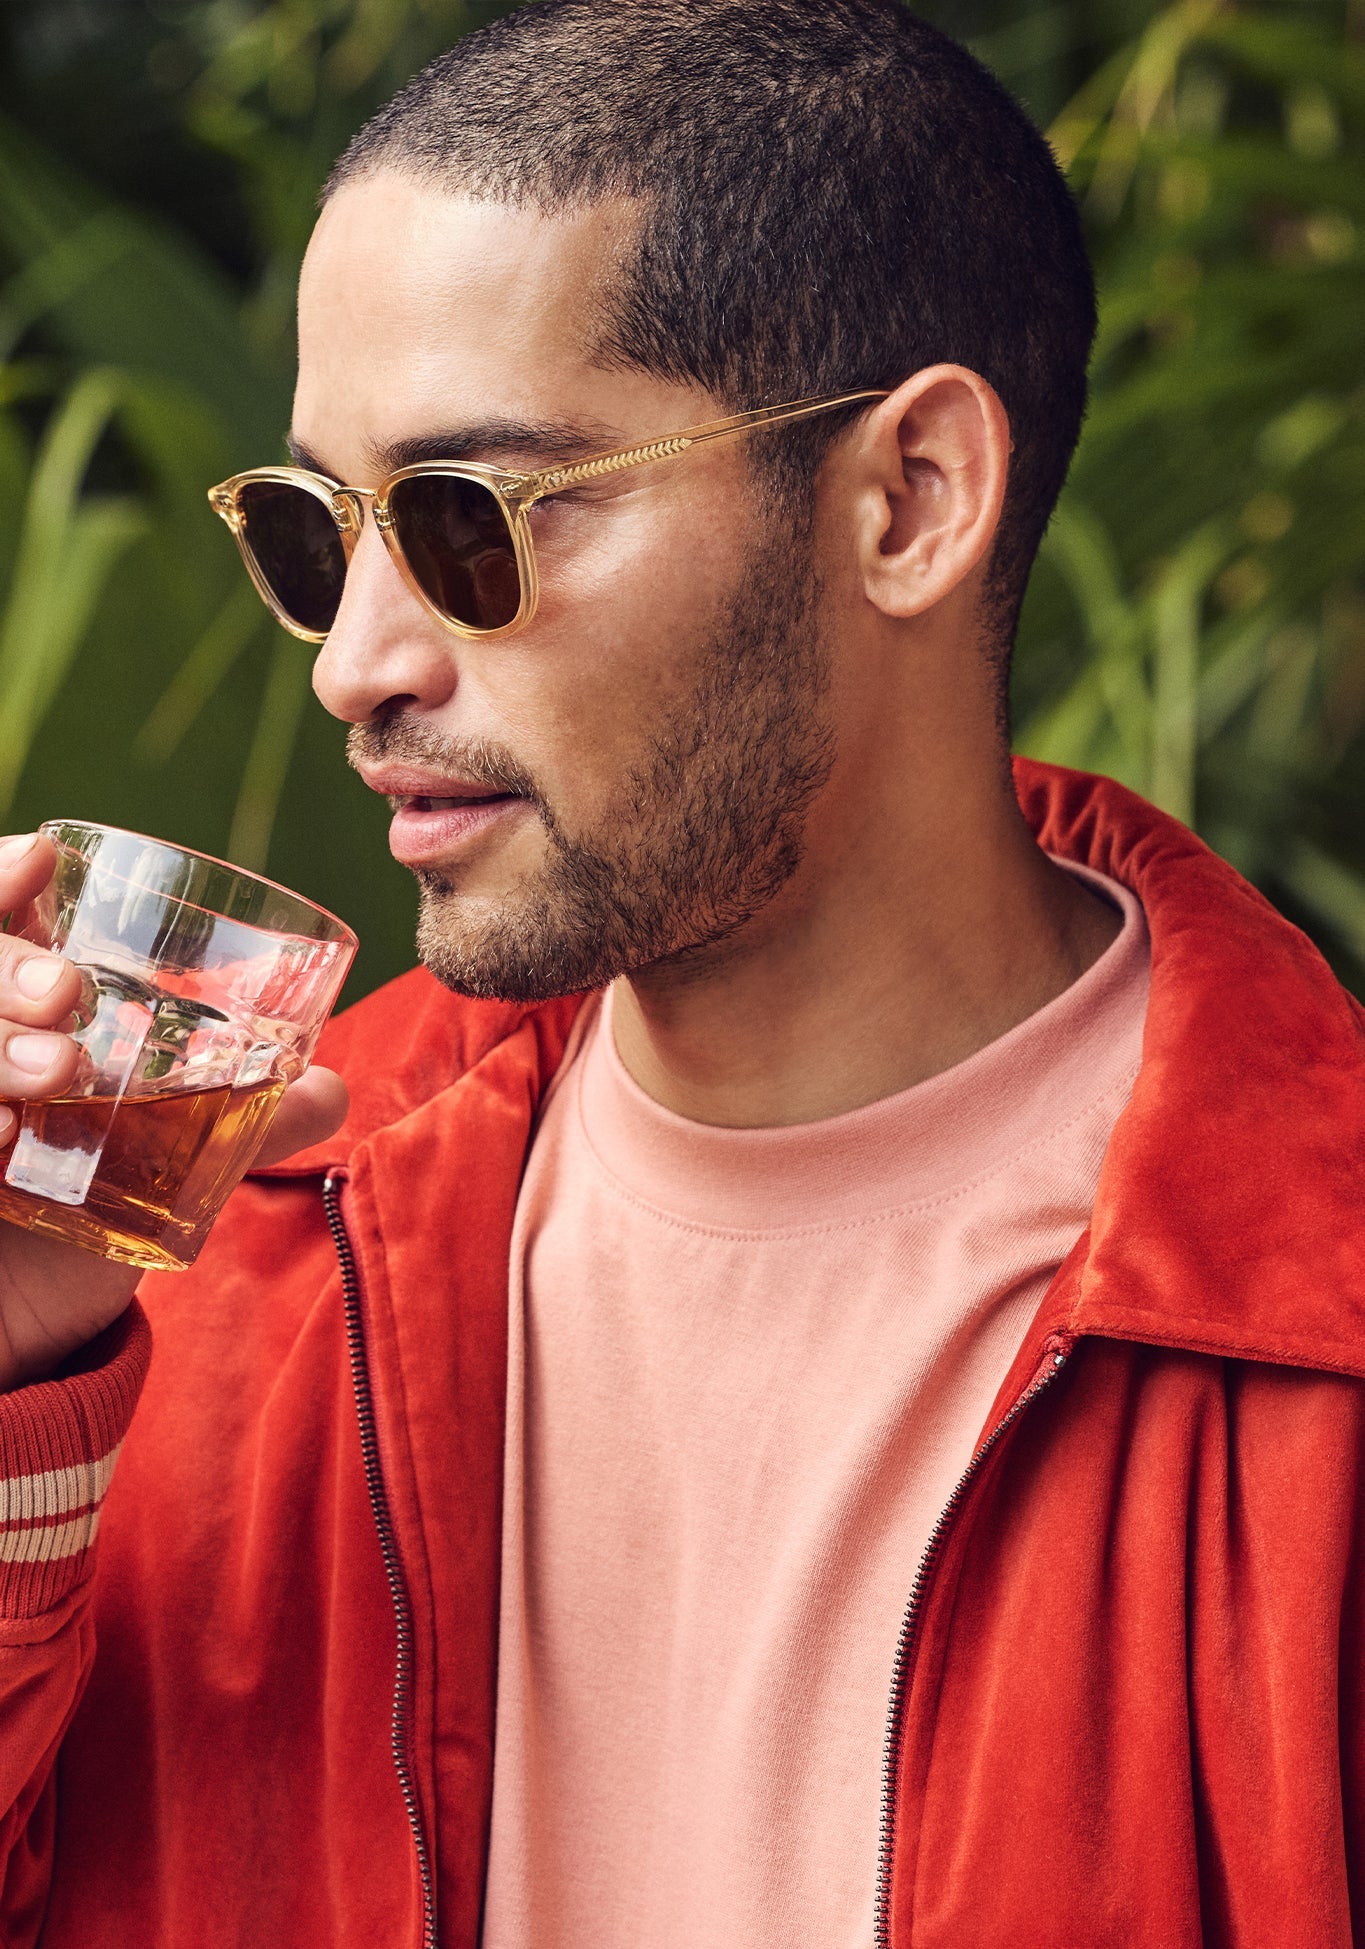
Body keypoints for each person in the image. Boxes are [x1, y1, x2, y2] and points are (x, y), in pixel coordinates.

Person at [1, 0, 1363, 1942]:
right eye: (317, 536)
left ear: (904, 502)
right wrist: (23, 1383)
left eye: (468, 521)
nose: (352, 661)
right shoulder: (233, 1247)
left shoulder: (1308, 1340)